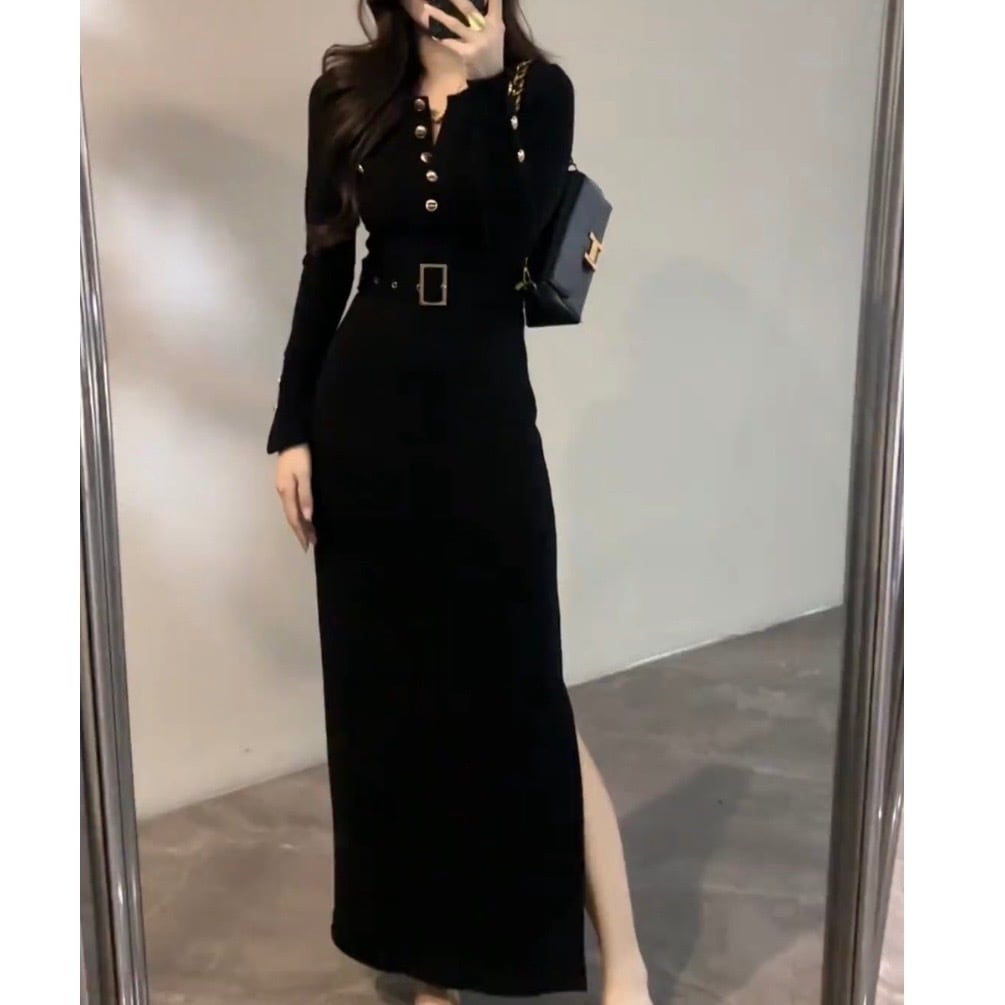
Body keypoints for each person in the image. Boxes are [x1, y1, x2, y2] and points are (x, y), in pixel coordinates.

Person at [268, 2, 652, 1002]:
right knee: (394, 704)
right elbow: (325, 261)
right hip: (366, 410)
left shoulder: (536, 93)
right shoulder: (346, 91)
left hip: (480, 416)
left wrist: (483, 88)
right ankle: (432, 973)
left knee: (523, 691)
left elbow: (508, 234)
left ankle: (624, 958)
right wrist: (291, 427)